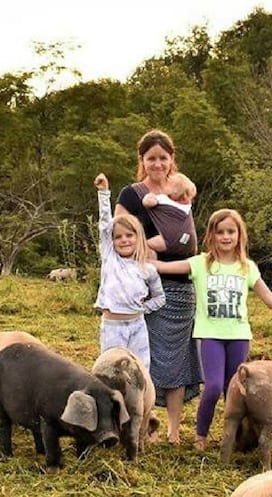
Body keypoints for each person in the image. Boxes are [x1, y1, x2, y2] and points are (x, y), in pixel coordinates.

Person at [154, 207, 272, 451]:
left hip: (239, 337)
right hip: (210, 336)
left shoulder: (247, 267)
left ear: (240, 235)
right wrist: (136, 256)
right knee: (213, 387)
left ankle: (236, 438)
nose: (226, 236)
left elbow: (269, 298)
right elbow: (164, 267)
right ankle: (201, 435)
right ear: (211, 235)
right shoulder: (200, 264)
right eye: (220, 232)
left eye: (231, 231)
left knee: (236, 391)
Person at [116, 129, 200, 441]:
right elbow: (118, 234)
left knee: (177, 358)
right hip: (141, 288)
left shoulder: (180, 191)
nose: (157, 164)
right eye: (151, 158)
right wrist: (144, 249)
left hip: (179, 287)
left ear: (171, 159)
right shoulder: (131, 195)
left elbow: (186, 238)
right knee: (141, 356)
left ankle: (174, 430)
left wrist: (161, 250)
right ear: (142, 160)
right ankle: (146, 421)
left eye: (163, 158)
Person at [91, 174, 165, 365]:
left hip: (138, 325)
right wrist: (103, 193)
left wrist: (143, 308)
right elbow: (105, 226)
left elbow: (159, 297)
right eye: (118, 237)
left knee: (141, 368)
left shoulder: (147, 269)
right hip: (112, 326)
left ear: (138, 238)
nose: (124, 240)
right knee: (111, 369)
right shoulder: (110, 258)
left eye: (129, 235)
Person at [141, 172, 198, 260]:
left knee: (143, 245)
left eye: (167, 184)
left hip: (166, 238)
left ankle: (152, 264)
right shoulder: (187, 206)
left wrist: (149, 196)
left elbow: (147, 203)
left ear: (174, 191)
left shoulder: (163, 198)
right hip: (186, 240)